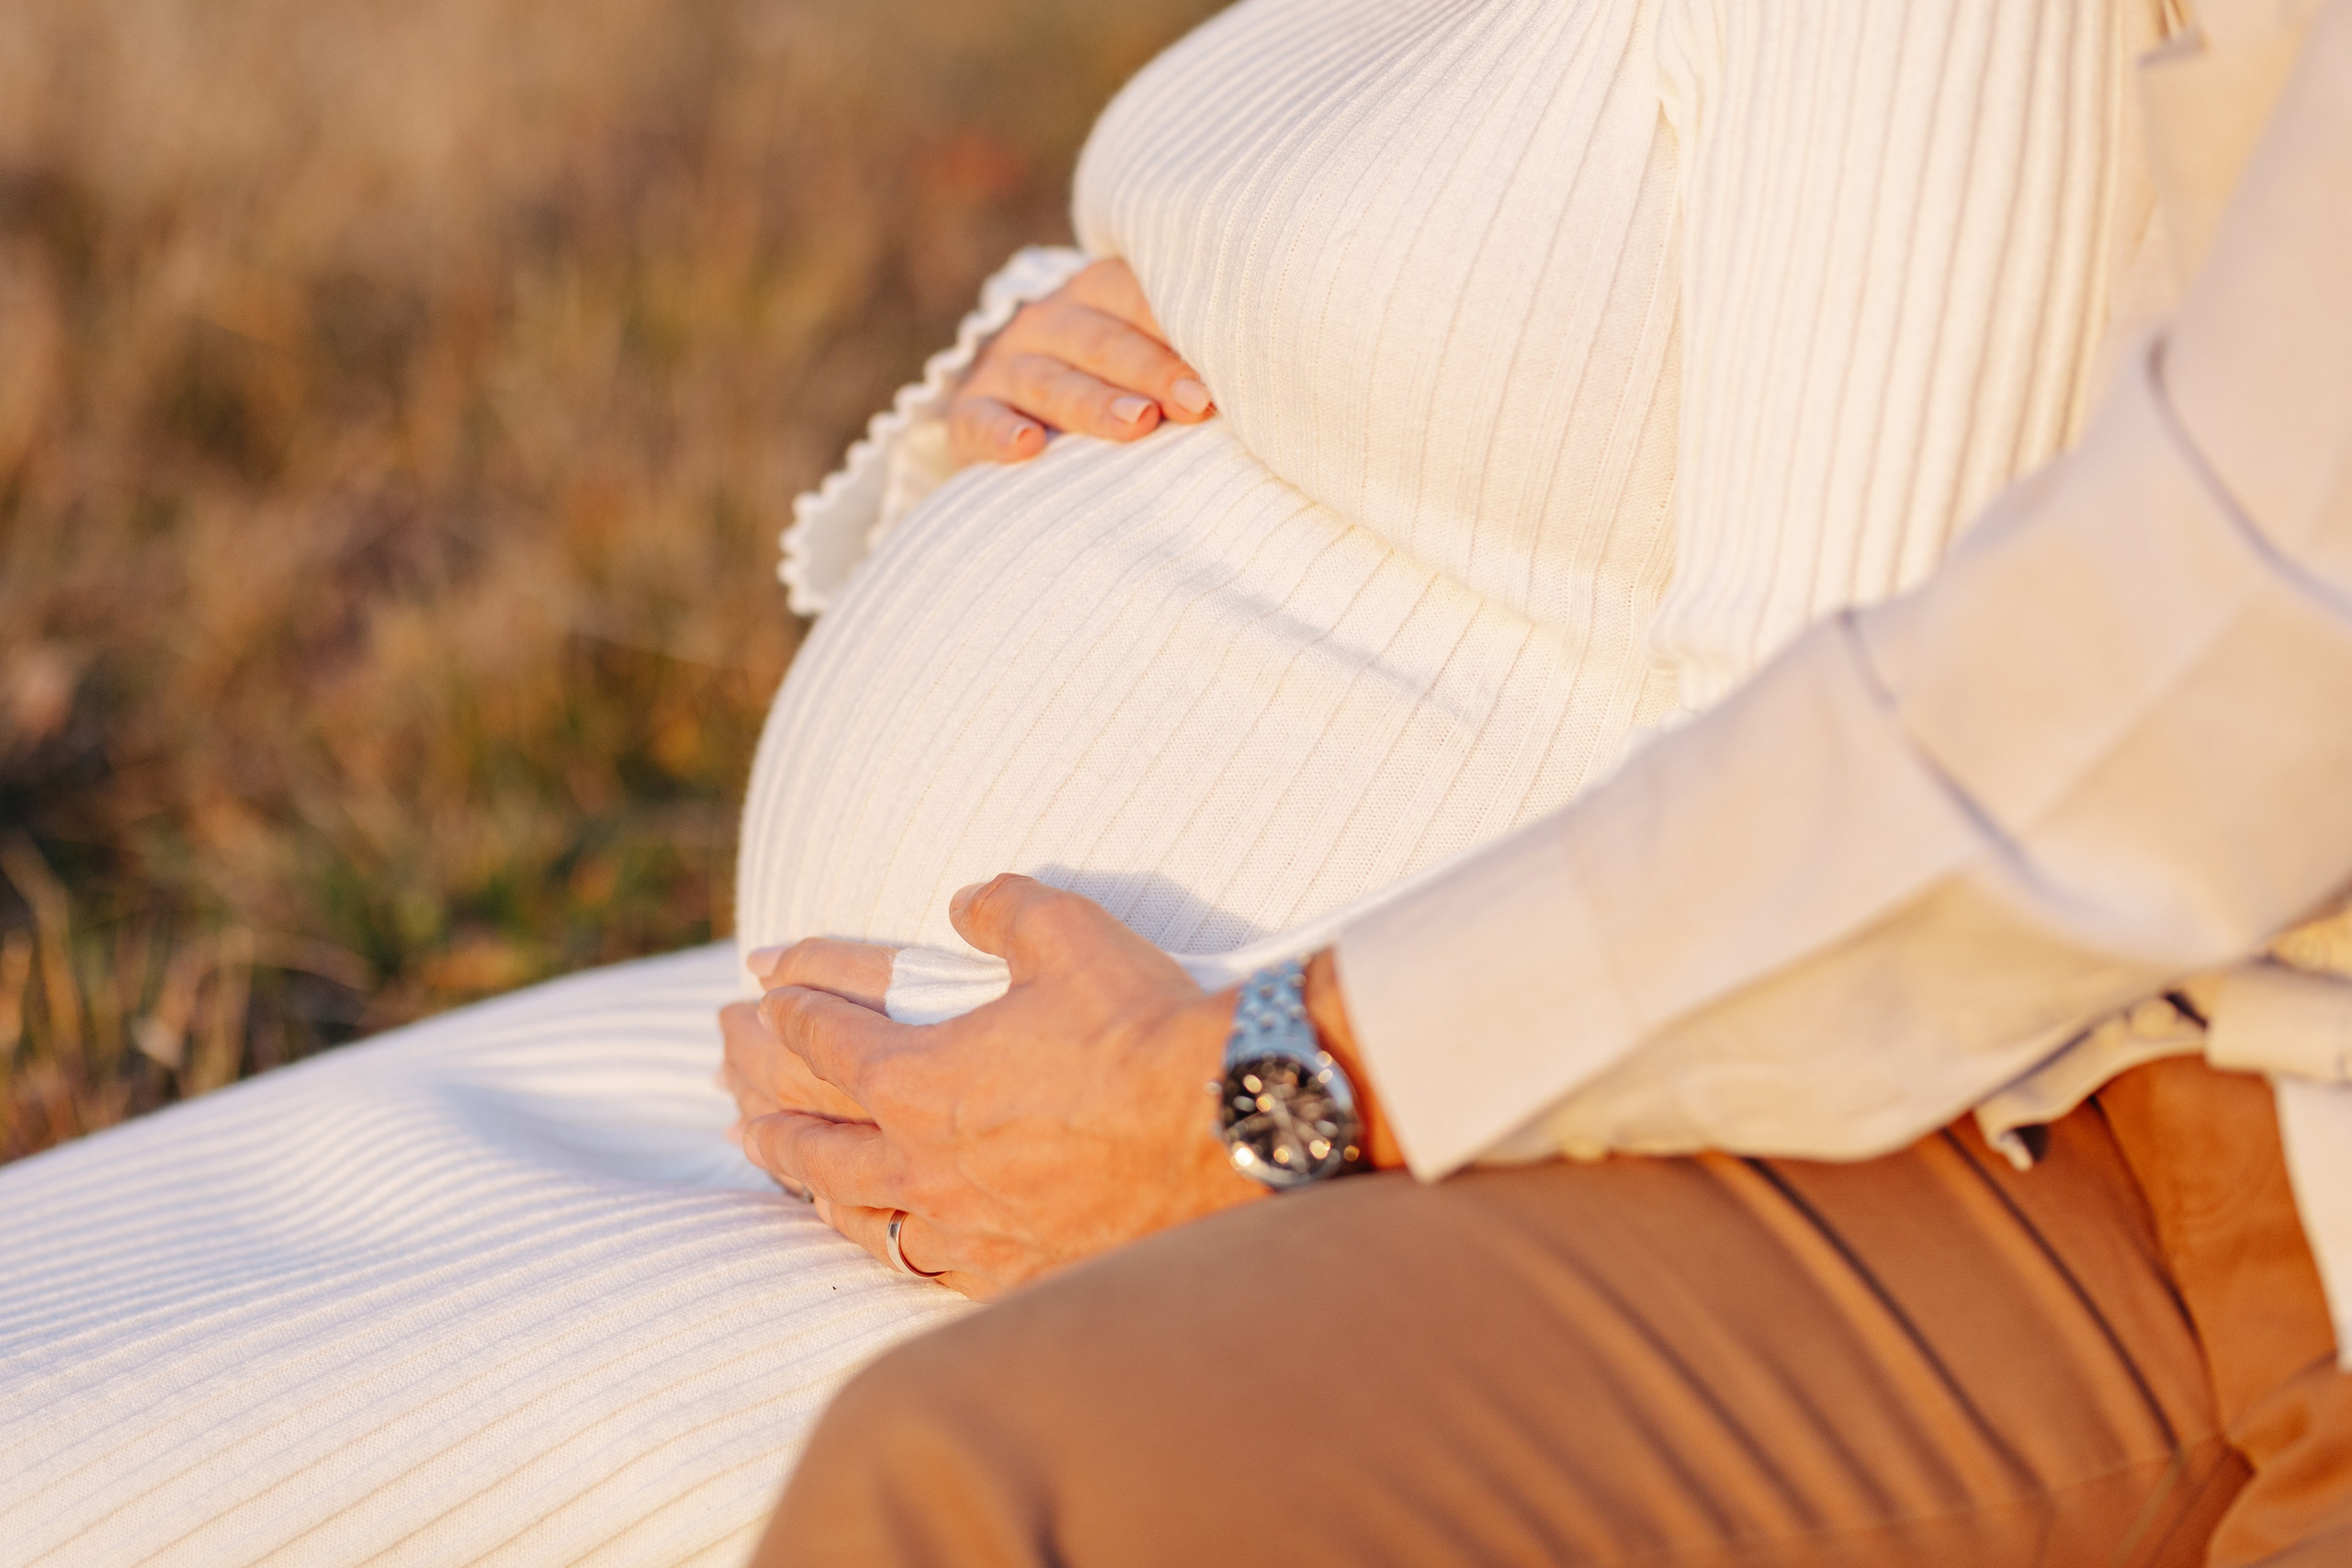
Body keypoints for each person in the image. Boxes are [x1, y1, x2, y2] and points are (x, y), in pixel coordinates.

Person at [0, 0, 2281, 1562]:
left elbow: (1846, 776)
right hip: (890, 1090)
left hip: (1324, 1167)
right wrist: (1014, 388)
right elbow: (1420, 309)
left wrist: (1251, 1093)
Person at [734, 2, 2352, 1562]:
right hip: (1018, 1087)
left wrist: (1252, 1084)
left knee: (949, 1497)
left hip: (2082, 1099)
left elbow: (2101, 688)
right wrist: (1011, 399)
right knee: (472, 1274)